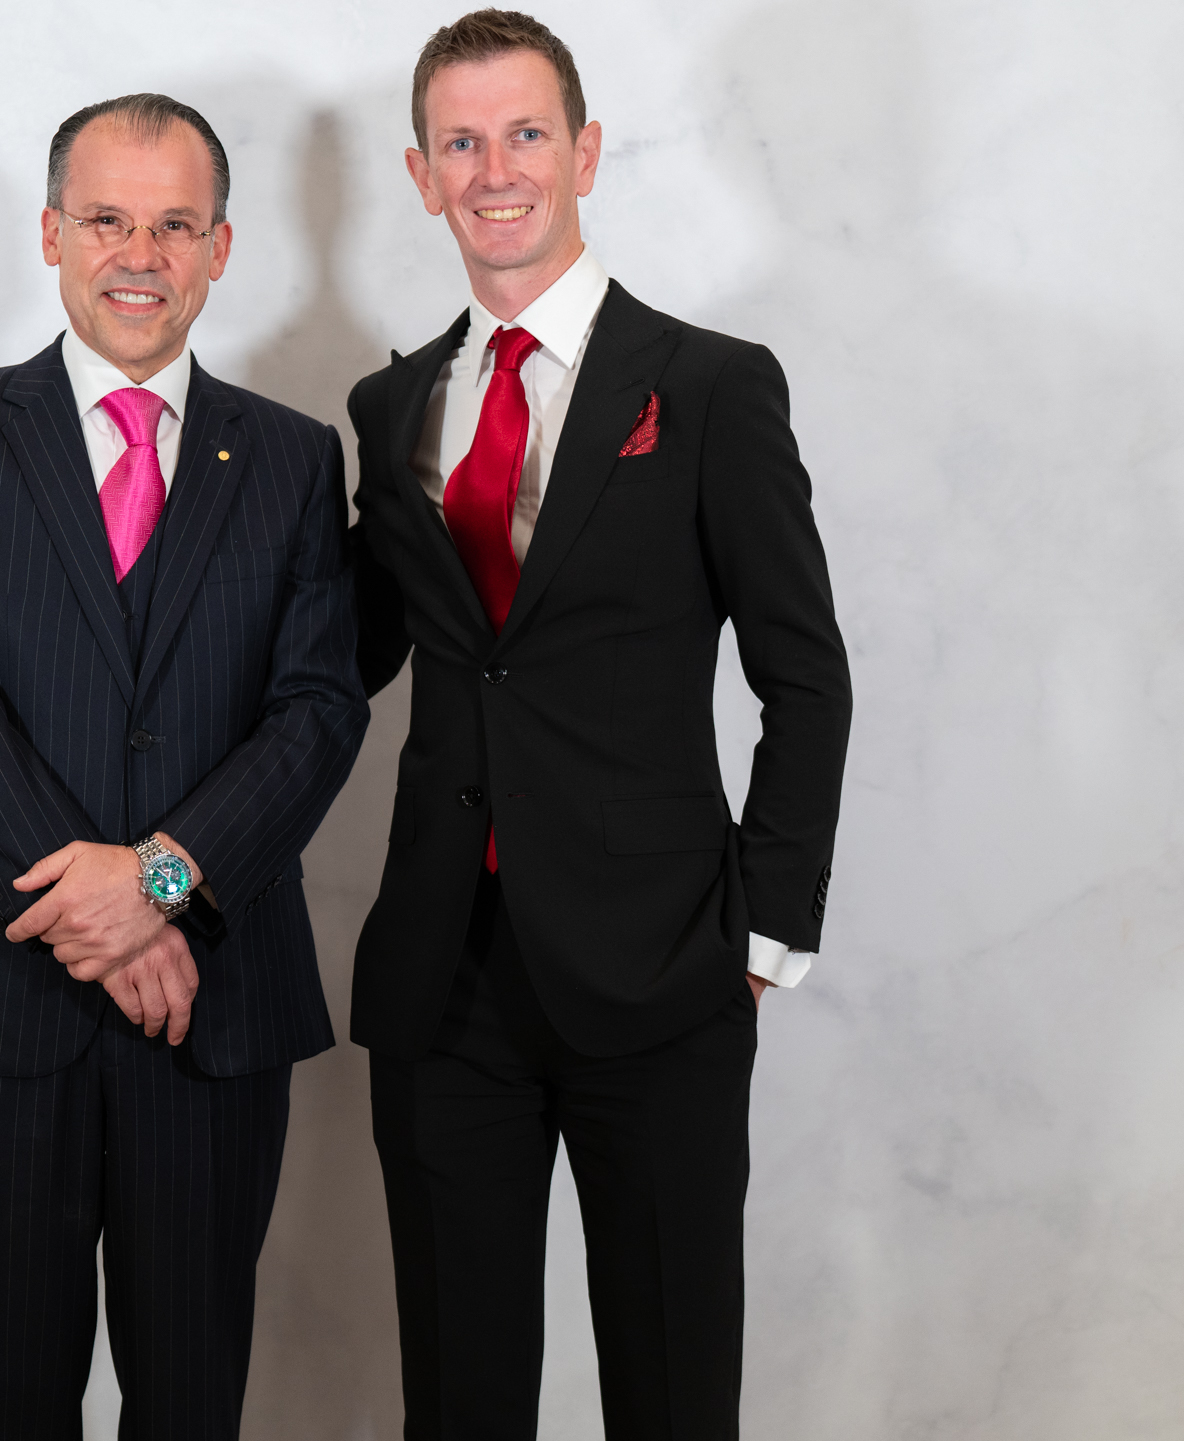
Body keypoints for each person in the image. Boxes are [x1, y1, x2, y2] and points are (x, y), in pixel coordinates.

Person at [347, 12, 853, 1438]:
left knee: (672, 1392)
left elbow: (805, 674)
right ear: (422, 175)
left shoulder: (709, 386)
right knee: (459, 1400)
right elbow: (345, 661)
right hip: (444, 981)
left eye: (525, 134)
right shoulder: (389, 406)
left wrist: (764, 934)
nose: (495, 169)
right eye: (461, 143)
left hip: (665, 971)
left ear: (584, 153)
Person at [0, 93, 367, 1440]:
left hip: (215, 1007)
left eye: (174, 225)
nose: (138, 255)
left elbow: (319, 709)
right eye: (105, 219)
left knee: (192, 1402)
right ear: (52, 234)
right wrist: (100, 913)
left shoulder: (293, 460)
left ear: (219, 249)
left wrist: (162, 881)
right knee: (10, 1402)